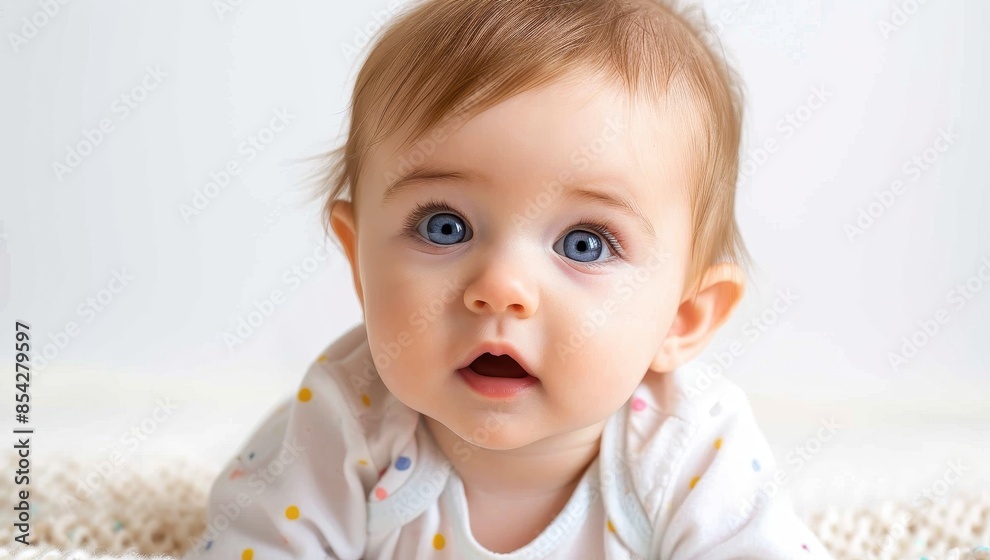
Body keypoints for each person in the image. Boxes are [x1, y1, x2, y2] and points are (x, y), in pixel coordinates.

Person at [183, 0, 833, 557]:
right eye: (445, 226)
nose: (500, 287)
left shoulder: (687, 449)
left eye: (585, 243)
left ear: (682, 319)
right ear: (360, 262)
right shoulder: (348, 417)